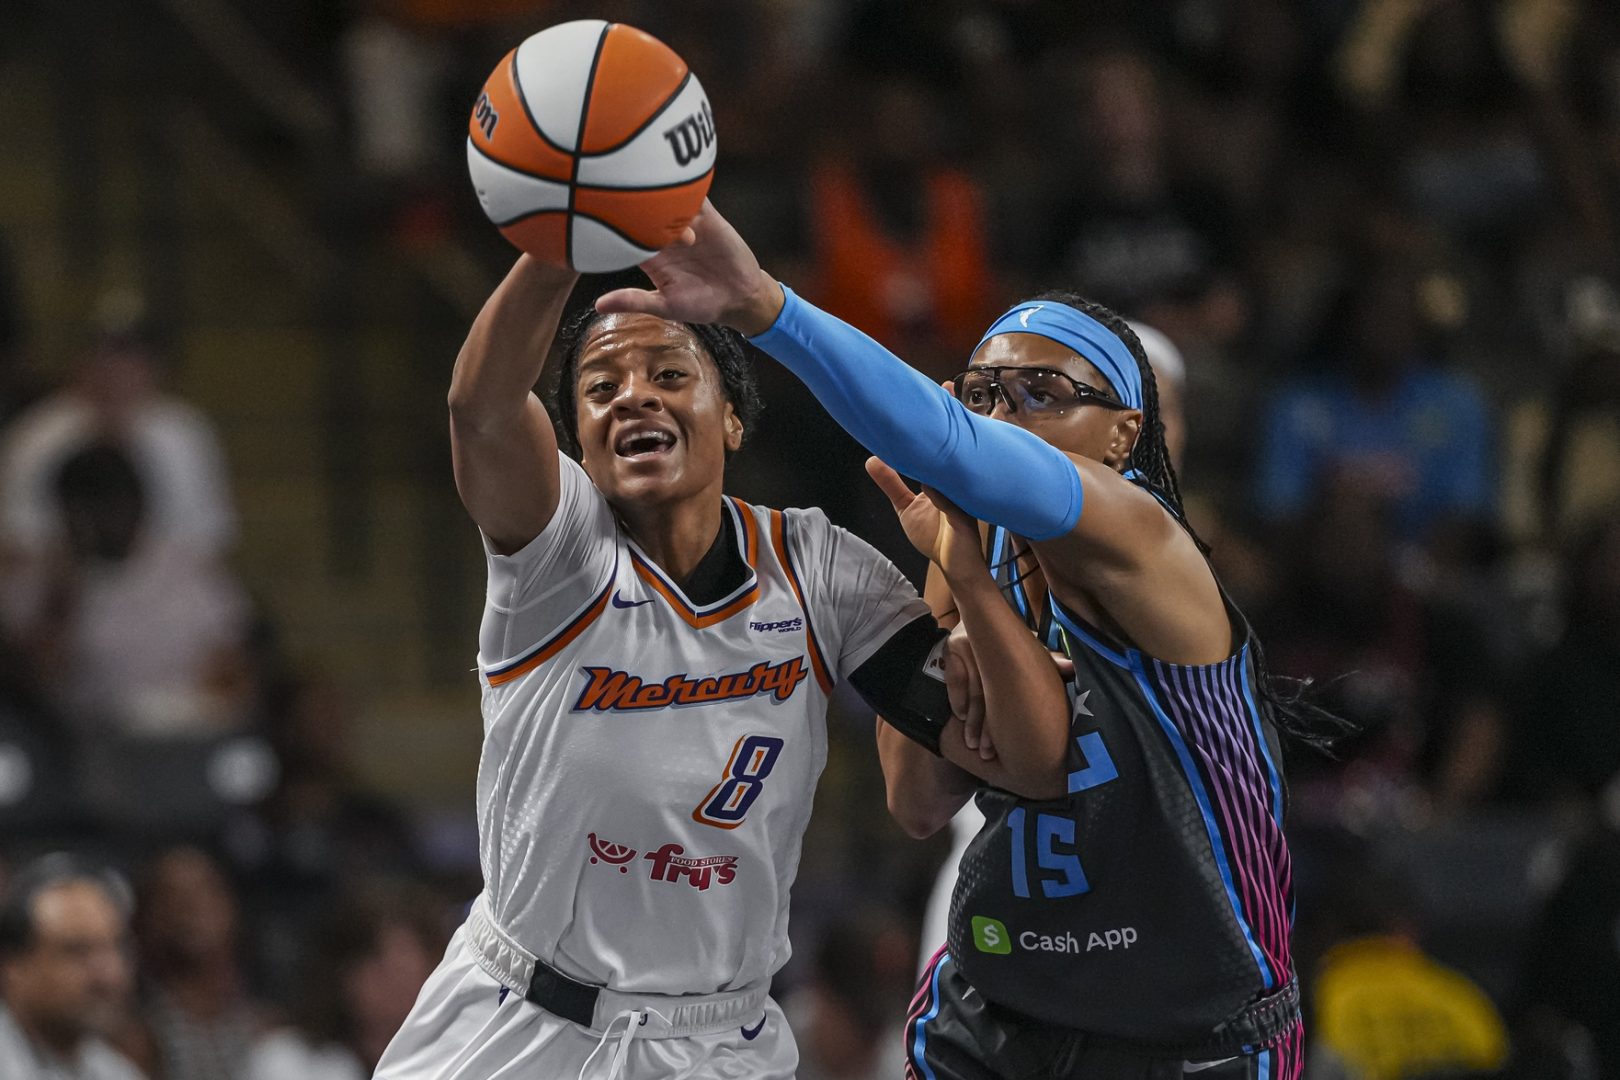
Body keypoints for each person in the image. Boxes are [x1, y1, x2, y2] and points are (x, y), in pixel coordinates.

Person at [596, 202, 1341, 1078]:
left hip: (1186, 1029)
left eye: (1042, 395)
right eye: (983, 395)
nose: (1003, 417)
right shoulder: (973, 545)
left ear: (1126, 433)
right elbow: (916, 804)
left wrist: (766, 306)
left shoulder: (1147, 538)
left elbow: (951, 445)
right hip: (998, 1008)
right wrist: (960, 578)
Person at [372, 255, 1072, 1080]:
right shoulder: (558, 553)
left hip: (717, 1041)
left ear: (733, 419)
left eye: (669, 374)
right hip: (520, 1026)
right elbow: (480, 408)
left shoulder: (816, 567)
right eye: (600, 388)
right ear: (580, 448)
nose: (633, 396)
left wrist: (969, 579)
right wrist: (558, 240)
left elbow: (1028, 761)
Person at [0, 854, 145, 1080]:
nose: (108, 975)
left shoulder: (118, 1072)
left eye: (115, 947)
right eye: (77, 951)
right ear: (13, 967)